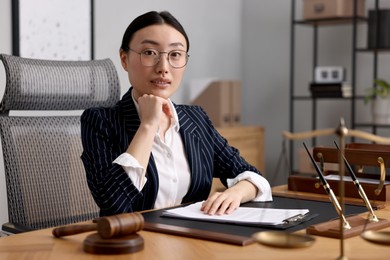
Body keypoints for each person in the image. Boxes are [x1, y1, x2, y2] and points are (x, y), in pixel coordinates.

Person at [81, 10, 272, 217]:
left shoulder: (195, 119)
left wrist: (235, 192)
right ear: (124, 59)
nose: (163, 67)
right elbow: (113, 203)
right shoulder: (100, 121)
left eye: (175, 55)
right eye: (149, 53)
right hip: (134, 242)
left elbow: (252, 176)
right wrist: (148, 125)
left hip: (194, 241)